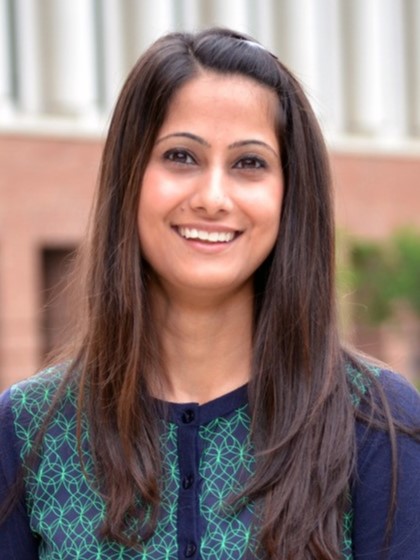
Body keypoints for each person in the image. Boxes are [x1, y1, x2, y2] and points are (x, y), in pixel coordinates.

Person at [1, 27, 420, 560]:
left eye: (250, 163)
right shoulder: (27, 429)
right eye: (181, 156)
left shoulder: (376, 422)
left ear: (290, 194)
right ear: (129, 176)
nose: (213, 198)